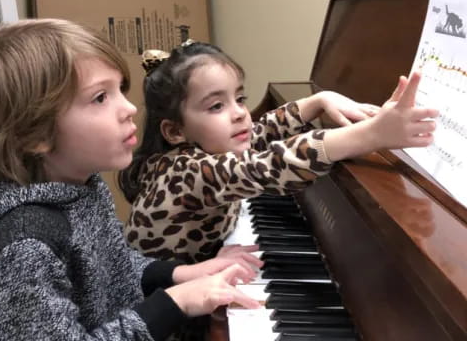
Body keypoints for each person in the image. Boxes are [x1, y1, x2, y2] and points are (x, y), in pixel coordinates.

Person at [0, 19, 263, 341]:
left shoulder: (80, 187)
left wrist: (178, 273)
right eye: (100, 97)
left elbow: (110, 267)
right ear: (35, 135)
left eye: (121, 90)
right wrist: (175, 302)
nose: (130, 108)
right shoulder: (26, 244)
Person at [118, 42, 438, 264]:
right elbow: (265, 166)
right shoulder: (183, 173)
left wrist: (317, 101)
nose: (240, 114)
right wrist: (371, 134)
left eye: (239, 99)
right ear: (175, 131)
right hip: (171, 315)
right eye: (217, 106)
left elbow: (261, 132)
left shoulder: (205, 148)